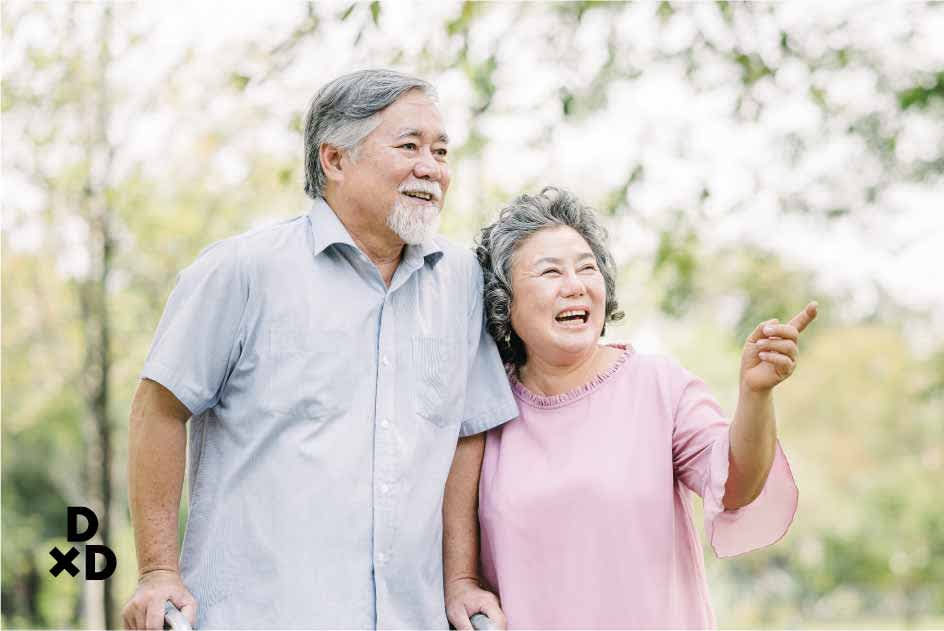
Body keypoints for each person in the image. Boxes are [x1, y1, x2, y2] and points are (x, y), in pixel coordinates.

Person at [121, 69, 516, 630]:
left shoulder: (461, 282)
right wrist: (157, 570)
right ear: (335, 160)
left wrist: (460, 579)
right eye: (409, 146)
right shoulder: (241, 270)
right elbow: (157, 409)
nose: (431, 167)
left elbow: (467, 433)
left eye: (441, 151)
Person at [445, 187, 813, 628]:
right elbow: (462, 572)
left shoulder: (660, 386)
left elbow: (737, 486)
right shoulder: (485, 405)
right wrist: (462, 587)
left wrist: (755, 395)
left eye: (587, 268)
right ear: (504, 299)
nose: (575, 285)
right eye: (550, 272)